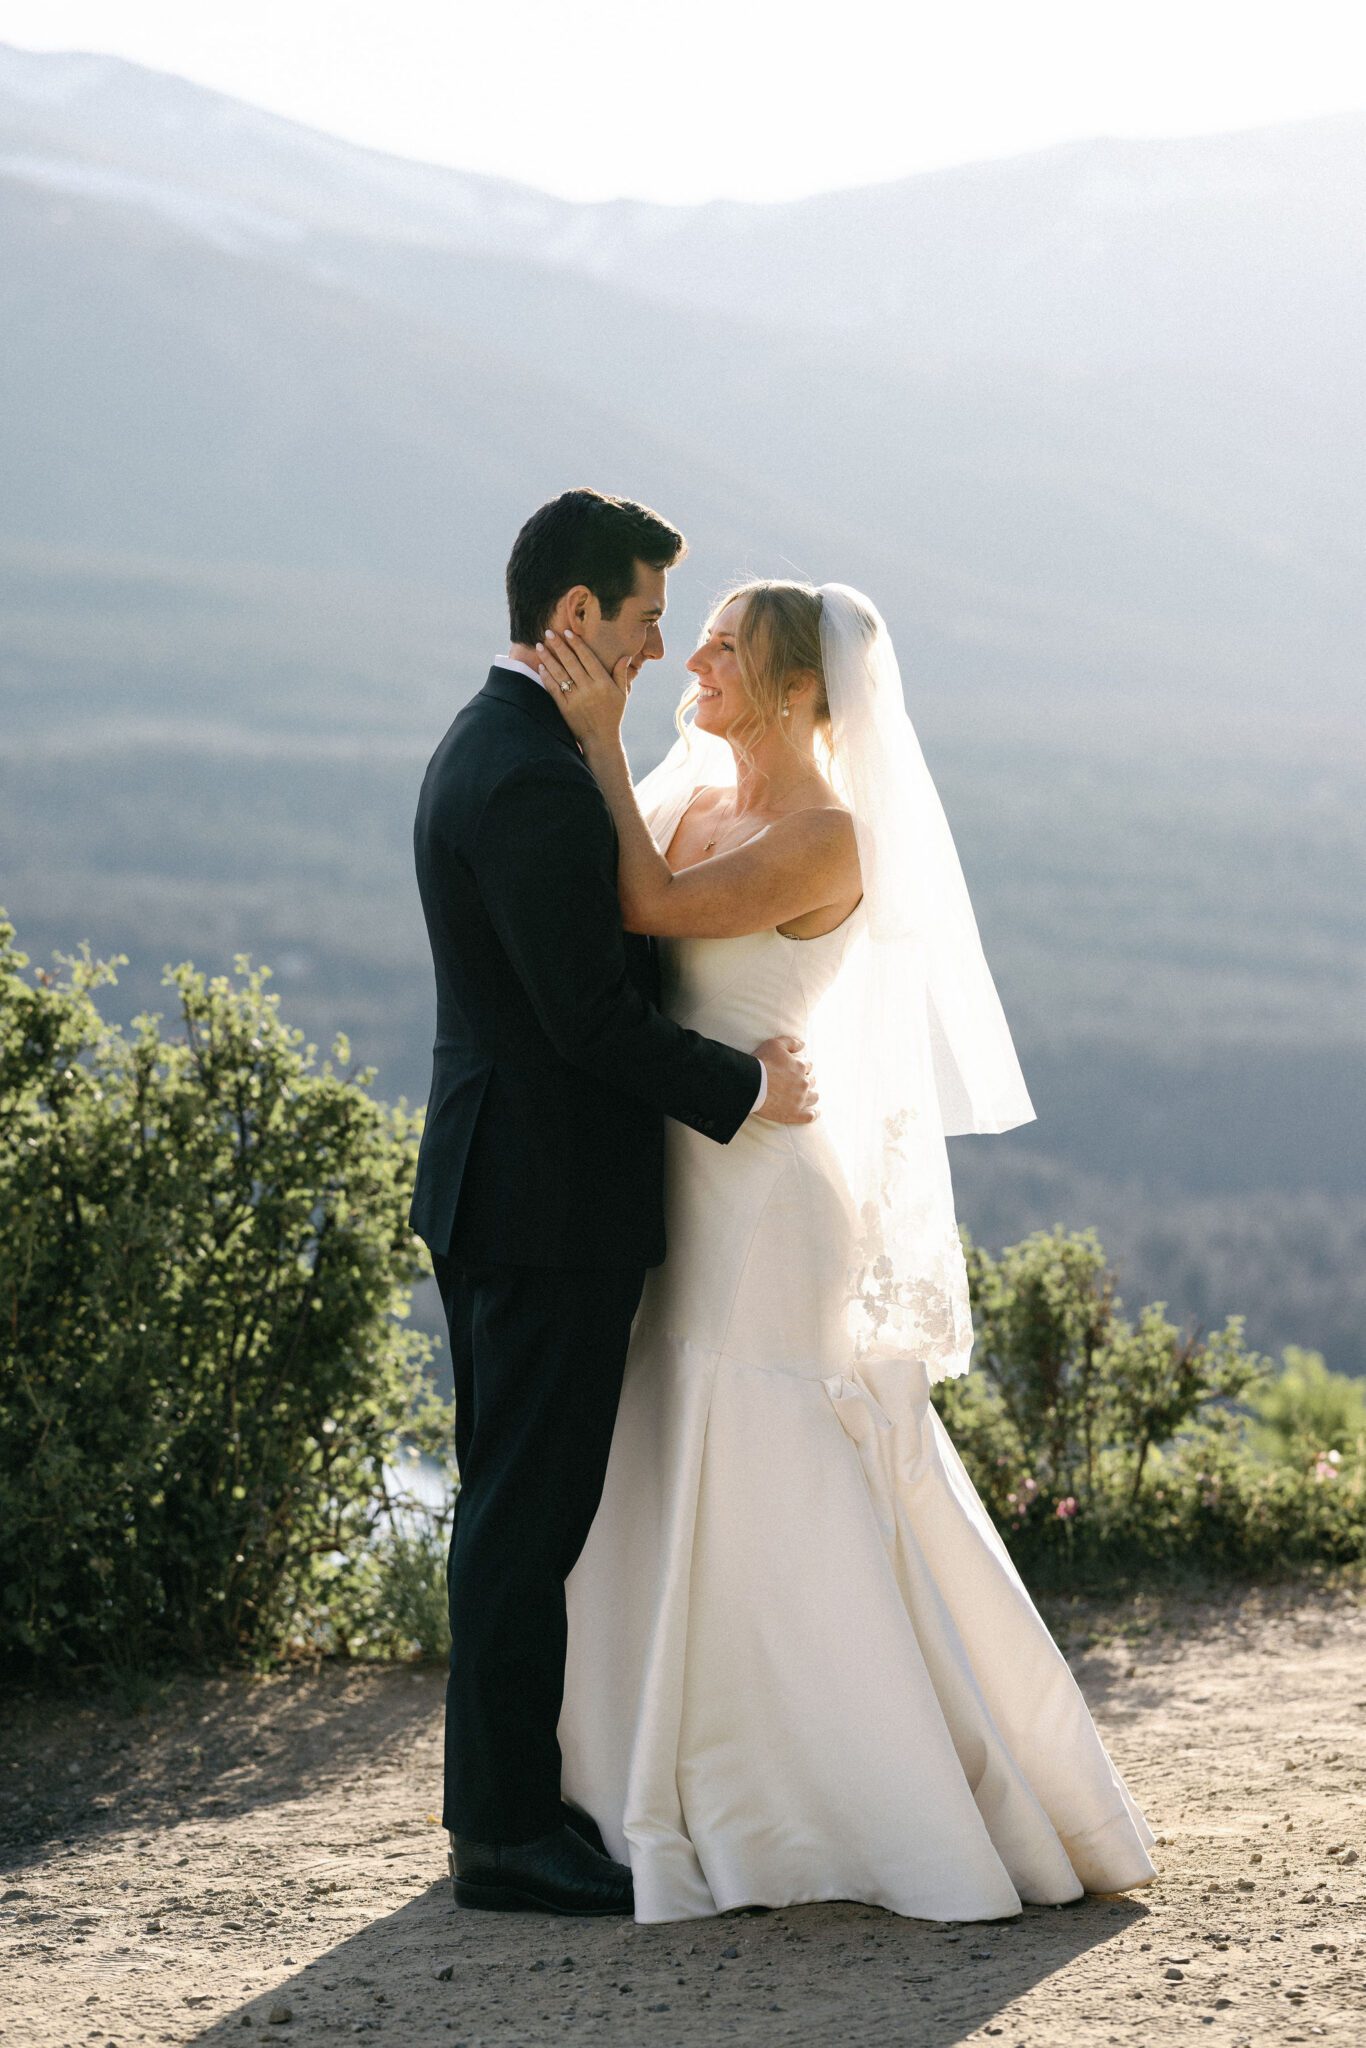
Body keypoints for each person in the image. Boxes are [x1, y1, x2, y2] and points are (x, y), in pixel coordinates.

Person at [537, 578, 1158, 1923]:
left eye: (726, 649)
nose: (689, 655)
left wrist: (591, 731)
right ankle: (637, 1773)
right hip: (681, 1174)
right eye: (692, 633)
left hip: (767, 1193)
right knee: (661, 1435)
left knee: (763, 1454)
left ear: (806, 694)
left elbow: (642, 907)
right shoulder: (695, 787)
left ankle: (830, 1793)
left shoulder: (828, 834)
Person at [408, 490, 818, 1918]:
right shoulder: (523, 773)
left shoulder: (517, 739)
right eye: (646, 619)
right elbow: (585, 1018)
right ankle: (506, 1835)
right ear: (575, 616)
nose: (655, 649)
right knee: (525, 1517)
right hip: (540, 1198)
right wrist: (742, 1087)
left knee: (515, 1507)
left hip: (511, 1183)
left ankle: (506, 1807)